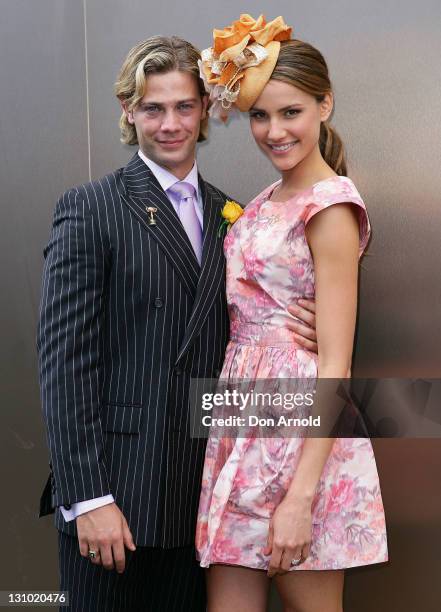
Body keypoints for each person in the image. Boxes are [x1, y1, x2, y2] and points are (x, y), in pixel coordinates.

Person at [36, 35, 317, 611]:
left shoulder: (233, 214)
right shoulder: (92, 207)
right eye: (152, 108)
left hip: (204, 497)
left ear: (206, 111)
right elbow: (63, 363)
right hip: (118, 502)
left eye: (184, 106)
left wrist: (299, 325)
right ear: (128, 111)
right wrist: (87, 498)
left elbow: (247, 332)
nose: (170, 123)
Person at [196, 14, 388, 612]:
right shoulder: (266, 199)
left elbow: (335, 360)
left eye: (291, 112)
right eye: (259, 115)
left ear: (324, 106)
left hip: (303, 434)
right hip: (241, 418)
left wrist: (301, 495)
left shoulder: (330, 206)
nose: (274, 131)